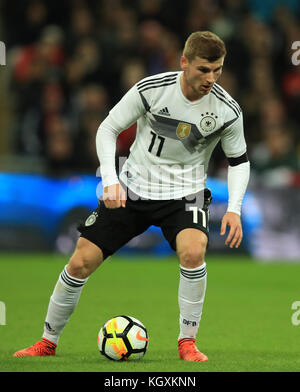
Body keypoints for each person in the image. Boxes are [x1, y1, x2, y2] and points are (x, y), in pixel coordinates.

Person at [13, 31, 250, 362]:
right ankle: (47, 341)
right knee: (80, 261)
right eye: (203, 70)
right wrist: (110, 180)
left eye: (217, 70)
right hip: (133, 188)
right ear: (184, 63)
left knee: (194, 253)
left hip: (188, 192)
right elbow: (108, 128)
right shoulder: (151, 90)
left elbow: (239, 161)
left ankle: (187, 343)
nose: (211, 78)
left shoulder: (227, 110)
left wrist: (235, 208)